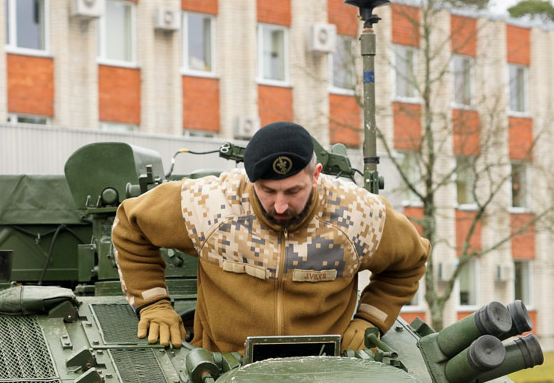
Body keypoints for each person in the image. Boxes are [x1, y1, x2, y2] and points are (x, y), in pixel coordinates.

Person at [111, 121, 429, 353]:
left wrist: (371, 318)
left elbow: (411, 260)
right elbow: (130, 224)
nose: (280, 205)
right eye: (267, 190)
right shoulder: (209, 204)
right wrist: (153, 303)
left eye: (293, 191)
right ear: (250, 179)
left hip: (327, 368)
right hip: (225, 365)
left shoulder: (359, 214)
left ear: (316, 175)